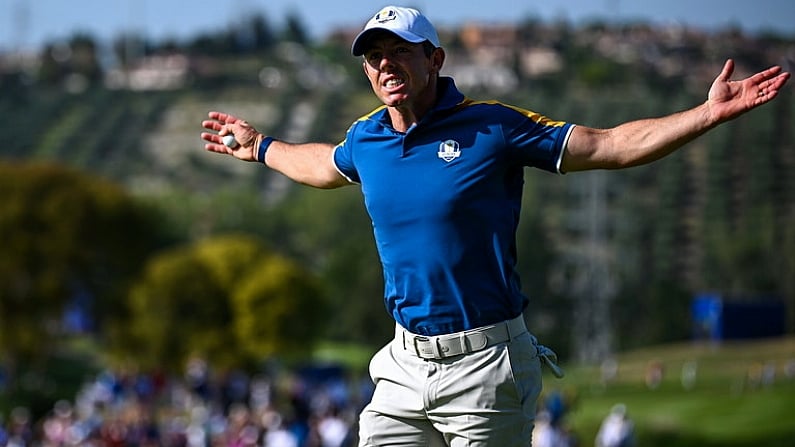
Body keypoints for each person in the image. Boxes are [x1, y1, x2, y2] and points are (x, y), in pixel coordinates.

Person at [201, 5, 790, 446]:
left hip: (486, 367)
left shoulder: (492, 127)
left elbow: (607, 145)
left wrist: (705, 114)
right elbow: (322, 164)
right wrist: (261, 148)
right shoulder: (367, 138)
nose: (386, 65)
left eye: (401, 51)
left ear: (434, 59)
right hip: (404, 363)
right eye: (374, 57)